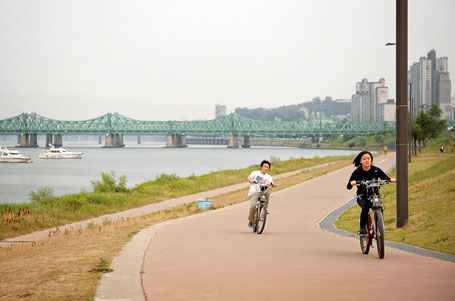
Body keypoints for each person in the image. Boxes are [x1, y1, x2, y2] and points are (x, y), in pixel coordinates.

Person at [347, 151, 396, 234]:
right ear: (360, 161)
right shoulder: (357, 172)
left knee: (379, 207)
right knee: (365, 207)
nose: (367, 160)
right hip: (362, 195)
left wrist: (390, 180)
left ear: (371, 160)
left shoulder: (376, 170)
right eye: (364, 159)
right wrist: (353, 182)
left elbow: (386, 178)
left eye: (368, 158)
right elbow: (348, 186)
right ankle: (362, 227)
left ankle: (380, 226)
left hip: (374, 194)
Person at [247, 160, 277, 227]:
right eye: (265, 166)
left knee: (269, 190)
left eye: (268, 167)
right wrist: (251, 180)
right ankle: (251, 220)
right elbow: (248, 178)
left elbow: (271, 183)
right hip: (254, 192)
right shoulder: (255, 173)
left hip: (263, 192)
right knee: (253, 206)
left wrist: (273, 185)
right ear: (261, 167)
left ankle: (265, 209)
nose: (266, 168)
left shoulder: (269, 177)